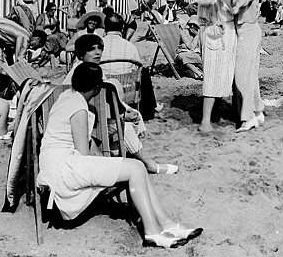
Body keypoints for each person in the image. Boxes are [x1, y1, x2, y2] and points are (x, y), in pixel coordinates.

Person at [39, 63, 199, 245]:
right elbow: (83, 153)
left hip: (56, 164)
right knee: (135, 168)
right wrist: (107, 166)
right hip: (65, 169)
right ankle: (153, 232)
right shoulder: (78, 108)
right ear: (97, 87)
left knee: (136, 167)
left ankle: (166, 224)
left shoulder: (67, 97)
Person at [196, 0, 237, 132]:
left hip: (228, 31)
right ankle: (205, 121)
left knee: (225, 73)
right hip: (213, 31)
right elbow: (204, 0)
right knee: (212, 74)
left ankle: (220, 112)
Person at [230, 0, 265, 132]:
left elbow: (240, 2)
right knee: (249, 75)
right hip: (239, 31)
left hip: (249, 31)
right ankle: (257, 111)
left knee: (241, 76)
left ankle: (248, 117)